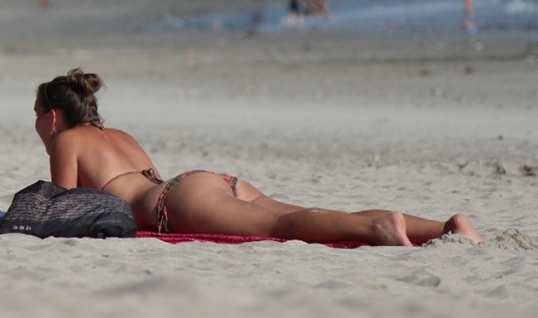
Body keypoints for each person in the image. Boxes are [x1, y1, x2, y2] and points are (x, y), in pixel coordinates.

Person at [32, 69, 482, 246]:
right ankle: (446, 228)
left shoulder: (69, 141)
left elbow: (67, 210)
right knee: (305, 215)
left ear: (53, 117)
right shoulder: (118, 135)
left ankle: (380, 229)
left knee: (283, 228)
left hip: (176, 203)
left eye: (36, 117)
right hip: (204, 183)